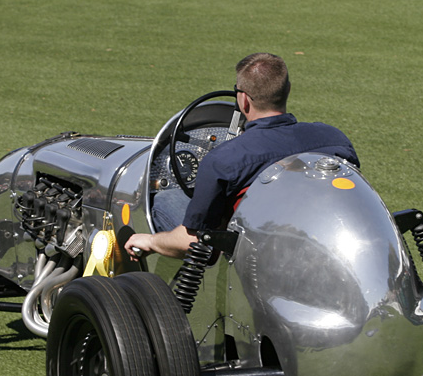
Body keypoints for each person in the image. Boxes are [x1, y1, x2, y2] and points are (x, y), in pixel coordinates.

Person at [125, 52, 359, 259]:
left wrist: (149, 240)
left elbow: (195, 240)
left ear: (243, 99)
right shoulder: (335, 139)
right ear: (287, 89)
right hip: (316, 237)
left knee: (165, 198)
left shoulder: (224, 159)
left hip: (254, 249)